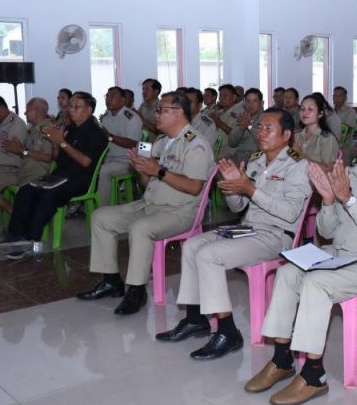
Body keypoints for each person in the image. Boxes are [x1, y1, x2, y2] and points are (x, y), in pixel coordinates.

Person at [248, 115, 357, 405]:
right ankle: (281, 359)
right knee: (288, 272)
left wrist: (349, 199)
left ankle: (313, 374)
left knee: (316, 283)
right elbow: (326, 232)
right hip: (338, 253)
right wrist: (328, 201)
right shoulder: (349, 173)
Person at [159, 109, 311, 358]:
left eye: (269, 129)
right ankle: (195, 319)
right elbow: (238, 208)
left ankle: (228, 332)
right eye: (259, 127)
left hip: (276, 235)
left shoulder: (298, 166)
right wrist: (232, 189)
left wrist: (250, 189)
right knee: (192, 245)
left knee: (209, 255)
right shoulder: (256, 160)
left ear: (286, 135)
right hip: (249, 228)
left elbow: (291, 213)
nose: (261, 133)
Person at [77, 92, 214, 315]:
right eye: (157, 110)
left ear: (179, 113)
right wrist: (141, 168)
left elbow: (194, 187)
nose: (156, 115)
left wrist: (158, 170)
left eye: (162, 110)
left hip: (180, 212)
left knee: (140, 228)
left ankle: (137, 290)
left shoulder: (196, 144)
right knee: (101, 217)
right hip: (150, 204)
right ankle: (111, 280)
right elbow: (146, 183)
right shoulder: (160, 142)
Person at [0, 92, 107, 254]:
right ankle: (16, 235)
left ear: (89, 110)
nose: (71, 110)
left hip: (80, 179)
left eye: (76, 107)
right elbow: (56, 157)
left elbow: (85, 162)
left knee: (47, 195)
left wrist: (61, 142)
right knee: (26, 190)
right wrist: (55, 143)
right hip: (59, 175)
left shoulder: (96, 133)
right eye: (70, 106)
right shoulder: (70, 129)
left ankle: (31, 239)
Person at [0, 98, 54, 222]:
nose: (25, 113)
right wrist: (20, 150)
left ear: (37, 111)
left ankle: (20, 217)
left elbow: (49, 157)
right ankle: (15, 213)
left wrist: (22, 151)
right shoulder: (33, 129)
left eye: (28, 110)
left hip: (35, 175)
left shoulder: (48, 129)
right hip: (22, 171)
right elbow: (23, 152)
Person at [96, 87, 143, 206]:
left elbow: (133, 143)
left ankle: (103, 209)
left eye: (112, 96)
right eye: (107, 96)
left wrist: (110, 137)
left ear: (123, 100)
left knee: (104, 171)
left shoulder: (132, 118)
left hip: (127, 160)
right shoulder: (106, 117)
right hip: (108, 158)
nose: (108, 99)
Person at [293, 93, 340, 165]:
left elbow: (328, 169)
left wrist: (301, 156)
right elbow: (294, 163)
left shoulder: (327, 138)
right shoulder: (297, 135)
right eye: (302, 109)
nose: (305, 112)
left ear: (320, 114)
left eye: (310, 109)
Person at [226, 88, 266, 164]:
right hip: (239, 158)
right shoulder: (243, 117)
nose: (251, 105)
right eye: (248, 101)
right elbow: (231, 143)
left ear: (261, 103)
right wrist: (240, 129)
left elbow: (264, 140)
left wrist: (249, 126)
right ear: (244, 103)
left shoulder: (267, 118)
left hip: (258, 161)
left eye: (255, 101)